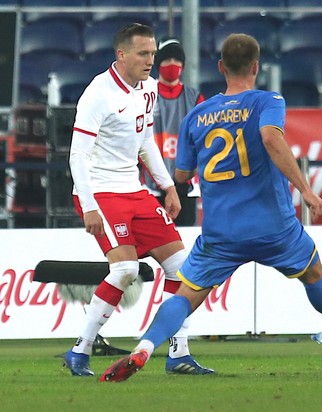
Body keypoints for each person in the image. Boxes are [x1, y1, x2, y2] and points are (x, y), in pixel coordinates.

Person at [99, 33, 322, 382]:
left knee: (186, 295)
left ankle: (145, 346)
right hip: (272, 225)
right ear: (256, 67)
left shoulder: (196, 115)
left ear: (220, 67)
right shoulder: (267, 101)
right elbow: (272, 138)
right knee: (313, 274)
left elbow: (182, 173)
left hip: (221, 230)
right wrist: (305, 189)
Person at [64, 23, 212, 377]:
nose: (152, 61)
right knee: (126, 269)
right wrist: (88, 206)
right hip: (101, 192)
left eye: (153, 53)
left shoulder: (148, 89)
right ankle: (80, 350)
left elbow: (145, 141)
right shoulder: (97, 94)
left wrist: (168, 186)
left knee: (184, 268)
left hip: (136, 191)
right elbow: (77, 156)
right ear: (122, 55)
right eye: (144, 54)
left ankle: (179, 354)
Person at [142, 36, 205, 226]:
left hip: (186, 184)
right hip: (152, 184)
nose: (173, 64)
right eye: (168, 59)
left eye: (177, 60)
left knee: (184, 241)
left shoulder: (195, 98)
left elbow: (201, 140)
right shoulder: (145, 94)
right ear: (158, 63)